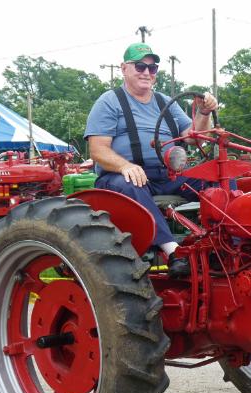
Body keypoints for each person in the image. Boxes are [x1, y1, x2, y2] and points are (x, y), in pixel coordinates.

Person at [84, 42, 218, 275]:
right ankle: (173, 252)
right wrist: (125, 165)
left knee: (218, 176)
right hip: (120, 178)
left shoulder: (164, 102)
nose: (146, 72)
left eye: (152, 68)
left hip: (166, 175)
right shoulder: (109, 101)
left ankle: (224, 246)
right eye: (140, 66)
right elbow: (98, 150)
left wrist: (203, 113)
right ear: (124, 68)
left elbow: (194, 138)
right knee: (131, 180)